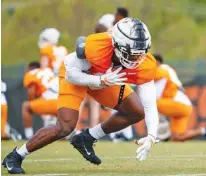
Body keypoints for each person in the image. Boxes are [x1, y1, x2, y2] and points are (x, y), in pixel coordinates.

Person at [3, 17, 159, 174]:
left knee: (136, 111)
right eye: (131, 54)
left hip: (105, 78)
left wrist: (151, 135)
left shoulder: (143, 65)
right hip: (78, 76)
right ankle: (15, 156)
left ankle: (87, 138)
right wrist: (100, 80)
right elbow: (71, 74)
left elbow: (150, 103)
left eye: (140, 53)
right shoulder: (95, 49)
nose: (136, 59)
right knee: (65, 127)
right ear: (117, 45)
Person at [154, 65, 206, 141]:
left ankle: (163, 129)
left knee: (152, 104)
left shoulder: (162, 70)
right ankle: (204, 130)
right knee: (177, 137)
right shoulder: (165, 72)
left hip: (181, 104)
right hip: (184, 106)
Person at [22, 62, 58, 139]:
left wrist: (32, 103)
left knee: (26, 107)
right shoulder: (48, 70)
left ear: (30, 68)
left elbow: (31, 91)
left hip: (51, 100)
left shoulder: (30, 74)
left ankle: (29, 136)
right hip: (63, 100)